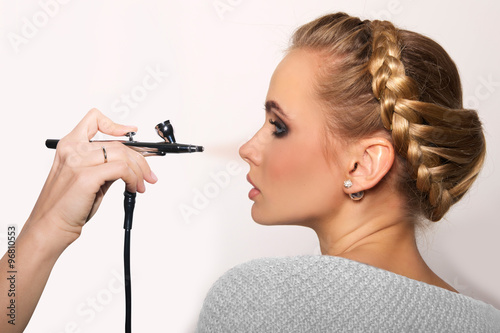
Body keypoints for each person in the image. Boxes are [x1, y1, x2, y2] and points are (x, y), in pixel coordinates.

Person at [1, 12, 499, 332]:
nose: (245, 148)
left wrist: (44, 231)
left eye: (277, 125)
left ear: (363, 164)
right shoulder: (485, 322)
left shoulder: (262, 300)